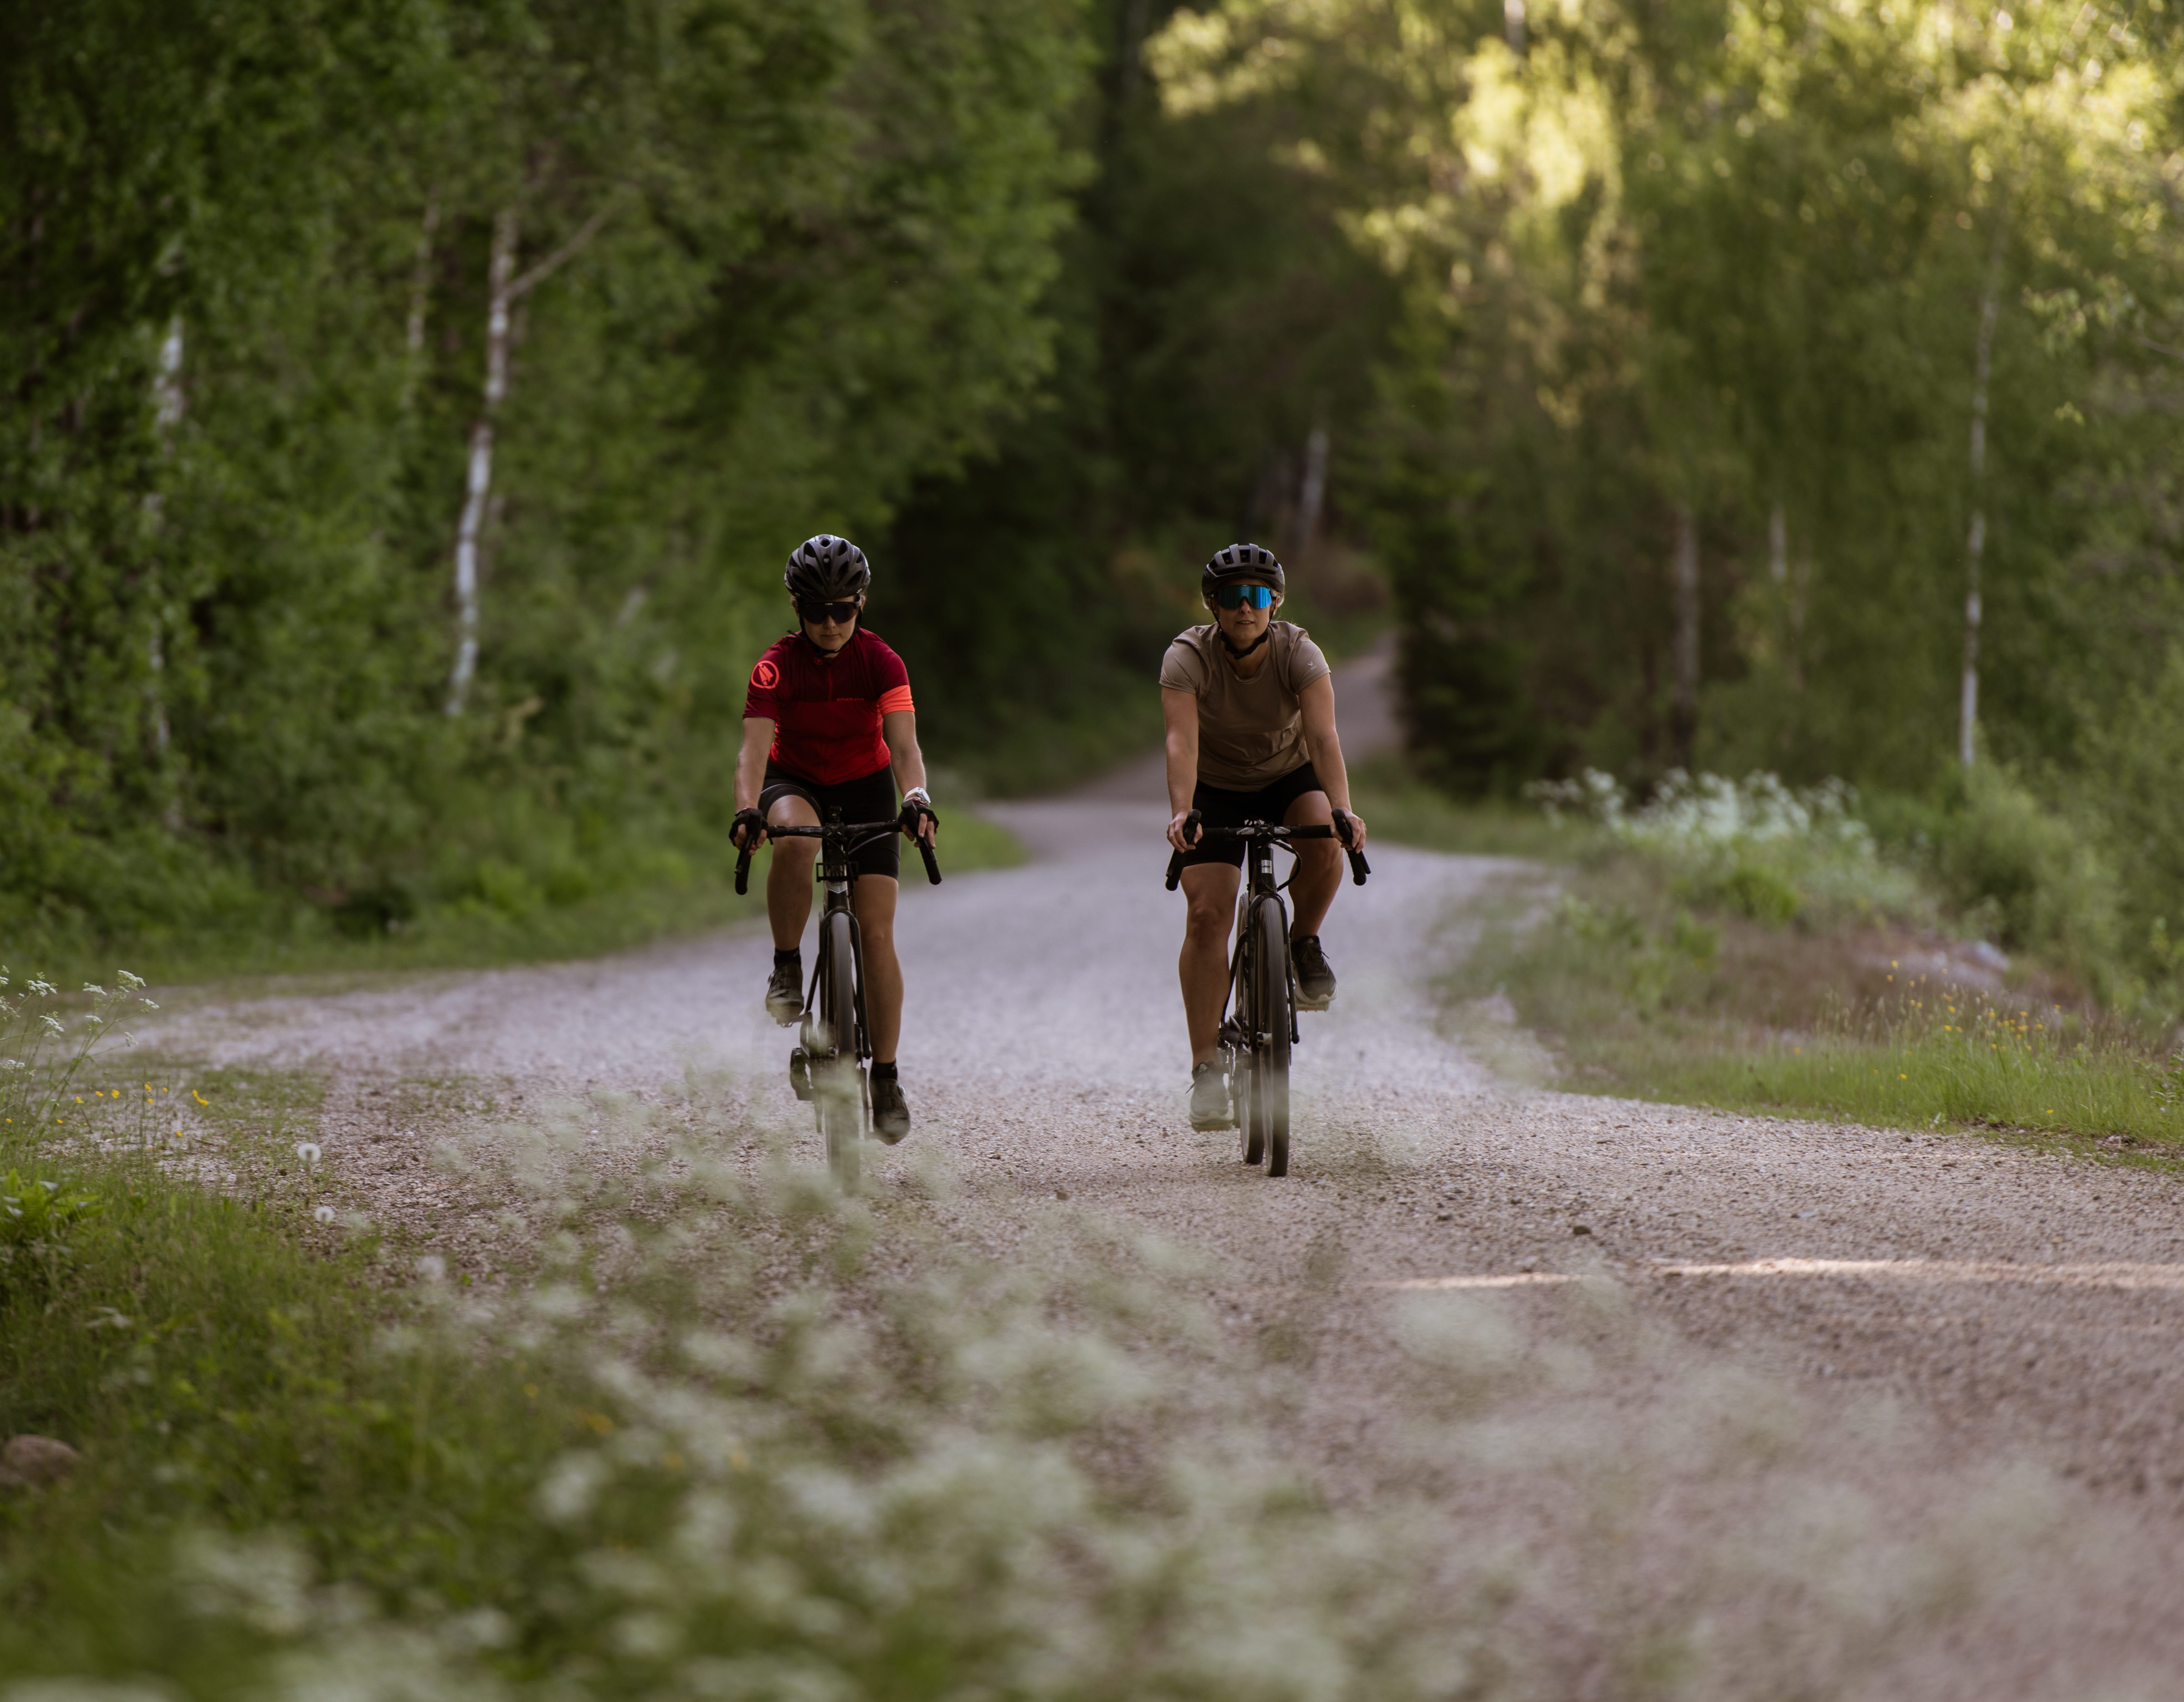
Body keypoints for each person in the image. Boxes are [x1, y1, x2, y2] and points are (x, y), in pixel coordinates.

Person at [730, 534, 939, 1144]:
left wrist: (916, 798)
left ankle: (888, 1077)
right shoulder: (775, 665)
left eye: (842, 609)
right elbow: (750, 751)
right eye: (817, 611)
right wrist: (748, 810)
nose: (830, 623)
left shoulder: (882, 662)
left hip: (867, 785)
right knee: (794, 839)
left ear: (861, 604)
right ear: (797, 608)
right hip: (794, 778)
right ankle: (787, 963)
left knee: (876, 933)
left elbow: (904, 748)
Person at [1163, 542, 1368, 1130]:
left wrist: (1343, 809)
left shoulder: (1299, 652)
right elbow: (1180, 742)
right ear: (1214, 606)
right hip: (1214, 786)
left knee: (1324, 838)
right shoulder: (1187, 656)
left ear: (1274, 602)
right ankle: (1206, 1068)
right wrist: (1182, 812)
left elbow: (1324, 739)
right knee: (1206, 916)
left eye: (1255, 596)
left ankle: (1303, 942)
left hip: (1288, 775)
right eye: (1231, 598)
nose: (1244, 609)